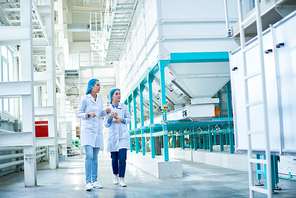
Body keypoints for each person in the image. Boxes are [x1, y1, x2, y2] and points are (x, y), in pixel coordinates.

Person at [77, 79, 111, 191]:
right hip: (87, 131)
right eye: (98, 85)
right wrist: (87, 114)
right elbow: (79, 114)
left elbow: (99, 114)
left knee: (95, 157)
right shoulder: (84, 99)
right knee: (89, 156)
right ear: (91, 86)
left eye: (100, 85)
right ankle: (88, 182)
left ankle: (95, 181)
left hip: (97, 131)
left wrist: (105, 112)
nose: (99, 87)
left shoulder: (100, 99)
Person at [104, 88, 131, 187]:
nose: (119, 95)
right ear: (112, 96)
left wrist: (122, 119)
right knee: (114, 159)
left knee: (122, 158)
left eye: (119, 94)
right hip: (113, 137)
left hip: (123, 136)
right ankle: (115, 175)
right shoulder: (108, 109)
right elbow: (106, 125)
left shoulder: (124, 107)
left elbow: (129, 119)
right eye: (116, 94)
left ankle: (122, 178)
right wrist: (110, 118)